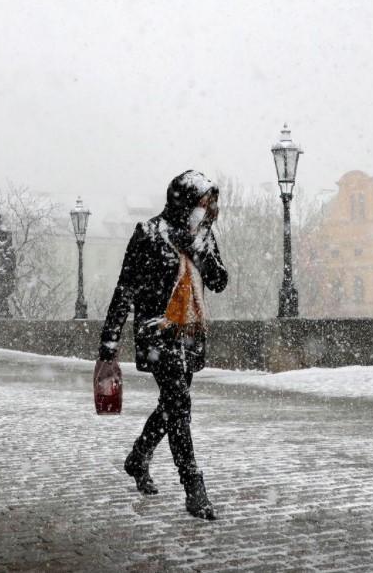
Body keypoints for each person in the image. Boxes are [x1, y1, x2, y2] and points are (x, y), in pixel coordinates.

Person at [98, 170, 228, 520]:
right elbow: (125, 289)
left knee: (171, 406)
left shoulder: (201, 235)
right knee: (179, 405)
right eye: (202, 203)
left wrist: (204, 253)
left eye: (209, 204)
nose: (207, 210)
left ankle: (138, 456)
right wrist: (109, 343)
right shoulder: (147, 234)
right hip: (157, 334)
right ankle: (193, 486)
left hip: (189, 334)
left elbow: (219, 282)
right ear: (183, 200)